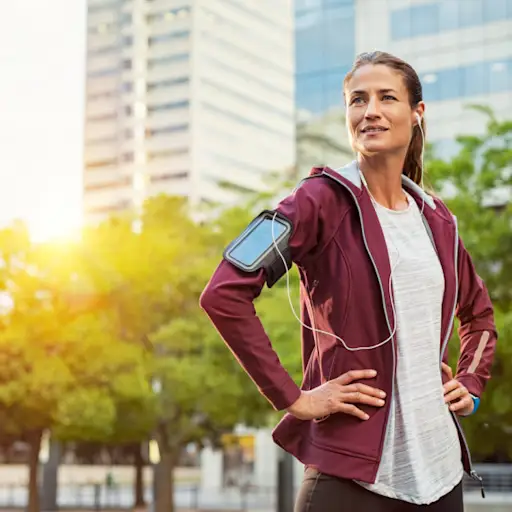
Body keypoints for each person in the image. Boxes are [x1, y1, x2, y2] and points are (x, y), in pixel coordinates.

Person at [199, 51, 497, 512]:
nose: (370, 110)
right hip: (351, 479)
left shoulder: (438, 220)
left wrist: (470, 383)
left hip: (440, 477)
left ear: (417, 113)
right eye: (357, 100)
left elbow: (477, 313)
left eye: (386, 98)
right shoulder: (316, 201)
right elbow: (223, 294)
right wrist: (293, 397)